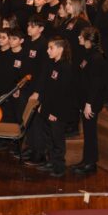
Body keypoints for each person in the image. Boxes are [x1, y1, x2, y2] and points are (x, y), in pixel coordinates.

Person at [26, 36, 73, 178]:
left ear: (60, 49)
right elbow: (48, 88)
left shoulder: (66, 67)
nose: (48, 51)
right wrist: (42, 104)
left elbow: (64, 94)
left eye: (51, 48)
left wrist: (55, 112)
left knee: (57, 140)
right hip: (47, 107)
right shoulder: (52, 64)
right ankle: (50, 162)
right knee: (48, 137)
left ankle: (59, 167)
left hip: (58, 111)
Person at [72, 26, 106, 175]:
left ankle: (91, 163)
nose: (78, 38)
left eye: (81, 36)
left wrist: (88, 104)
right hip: (85, 100)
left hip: (91, 102)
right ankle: (86, 160)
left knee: (90, 133)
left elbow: (96, 84)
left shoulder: (96, 57)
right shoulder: (87, 54)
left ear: (88, 40)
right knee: (87, 131)